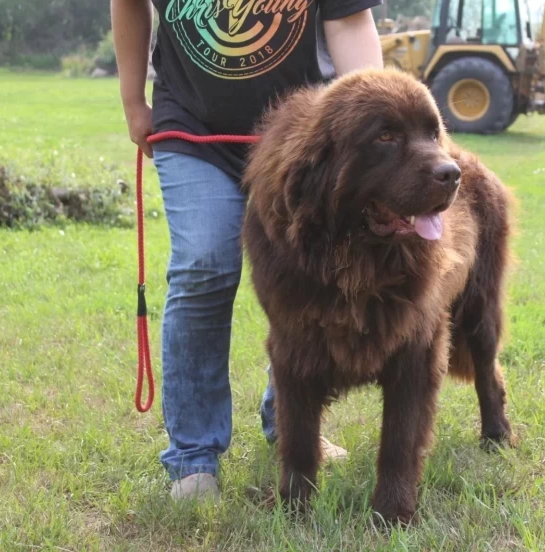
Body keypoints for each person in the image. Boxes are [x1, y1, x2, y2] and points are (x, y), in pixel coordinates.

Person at [111, 0, 384, 502]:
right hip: (192, 128)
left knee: (307, 274)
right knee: (204, 264)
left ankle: (289, 424)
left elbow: (348, 22)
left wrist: (375, 118)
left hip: (301, 138)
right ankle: (194, 457)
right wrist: (132, 101)